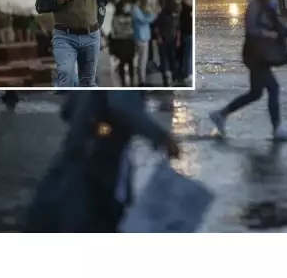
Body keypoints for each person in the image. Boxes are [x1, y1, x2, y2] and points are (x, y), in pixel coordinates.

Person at [23, 90, 180, 232]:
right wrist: (162, 138)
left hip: (78, 153)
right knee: (94, 213)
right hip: (100, 156)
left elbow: (67, 111)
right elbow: (124, 107)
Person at [209, 0, 287, 141]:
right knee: (273, 87)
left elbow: (281, 28)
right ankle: (277, 128)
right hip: (254, 55)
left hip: (261, 56)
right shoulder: (255, 6)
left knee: (255, 93)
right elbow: (251, 29)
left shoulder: (268, 8)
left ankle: (221, 114)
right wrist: (267, 34)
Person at [35, 0, 108, 87]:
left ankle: (85, 105)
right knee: (66, 75)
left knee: (88, 82)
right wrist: (57, 1)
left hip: (91, 34)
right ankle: (69, 103)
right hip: (64, 36)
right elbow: (40, 6)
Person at [108, 0, 136, 87]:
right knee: (123, 62)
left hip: (128, 41)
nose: (127, 7)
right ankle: (124, 81)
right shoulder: (116, 18)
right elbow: (117, 30)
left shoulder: (129, 16)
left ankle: (131, 80)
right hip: (122, 41)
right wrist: (128, 31)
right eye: (125, 6)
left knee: (129, 61)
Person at [154, 0, 180, 87]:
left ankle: (172, 78)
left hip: (170, 40)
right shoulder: (163, 16)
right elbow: (156, 28)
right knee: (167, 60)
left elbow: (177, 29)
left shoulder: (173, 16)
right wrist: (159, 37)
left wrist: (177, 39)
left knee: (170, 60)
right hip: (165, 40)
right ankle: (168, 78)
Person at [131, 0, 156, 86]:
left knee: (142, 59)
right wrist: (153, 15)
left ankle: (142, 79)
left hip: (143, 36)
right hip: (141, 37)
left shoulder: (137, 9)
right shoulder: (135, 9)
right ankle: (142, 80)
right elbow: (143, 20)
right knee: (142, 60)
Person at [178, 0, 193, 83]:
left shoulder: (182, 9)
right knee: (188, 56)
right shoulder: (188, 10)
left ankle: (186, 73)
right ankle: (188, 74)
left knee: (186, 55)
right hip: (188, 34)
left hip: (185, 34)